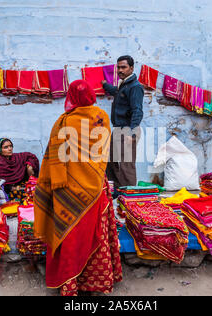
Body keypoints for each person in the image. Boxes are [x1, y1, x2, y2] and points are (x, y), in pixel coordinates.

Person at [33, 80, 122, 296]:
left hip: (69, 191)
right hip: (95, 188)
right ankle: (98, 282)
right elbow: (103, 151)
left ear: (71, 96)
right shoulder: (101, 117)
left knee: (71, 234)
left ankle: (71, 284)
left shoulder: (65, 121)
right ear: (92, 94)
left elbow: (53, 156)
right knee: (95, 234)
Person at [101, 55, 144, 193]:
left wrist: (131, 133)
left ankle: (130, 195)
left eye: (123, 67)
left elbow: (137, 111)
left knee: (126, 164)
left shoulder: (135, 87)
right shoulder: (123, 84)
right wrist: (104, 85)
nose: (120, 70)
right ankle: (117, 191)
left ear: (131, 68)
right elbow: (116, 92)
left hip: (128, 129)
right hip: (118, 129)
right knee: (111, 160)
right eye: (118, 67)